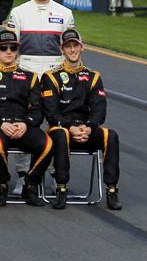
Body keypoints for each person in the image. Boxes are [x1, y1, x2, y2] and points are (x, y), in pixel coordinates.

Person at [40, 29, 122, 210]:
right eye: (68, 46)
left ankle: (112, 190)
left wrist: (90, 127)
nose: (72, 50)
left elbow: (100, 109)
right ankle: (61, 189)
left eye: (75, 45)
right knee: (61, 134)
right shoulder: (50, 77)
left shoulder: (93, 76)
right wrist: (71, 127)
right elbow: (51, 113)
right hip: (61, 128)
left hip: (87, 129)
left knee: (111, 136)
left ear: (82, 47)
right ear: (62, 50)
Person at [0, 30, 54, 207]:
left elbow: (38, 110)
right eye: (4, 48)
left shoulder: (31, 77)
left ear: (17, 51)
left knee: (48, 144)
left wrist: (26, 123)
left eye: (12, 48)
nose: (8, 51)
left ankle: (30, 185)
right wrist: (0, 123)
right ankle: (2, 185)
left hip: (23, 126)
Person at [5, 0, 76, 75]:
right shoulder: (17, 13)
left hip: (56, 74)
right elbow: (9, 48)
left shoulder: (65, 13)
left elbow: (71, 50)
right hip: (26, 73)